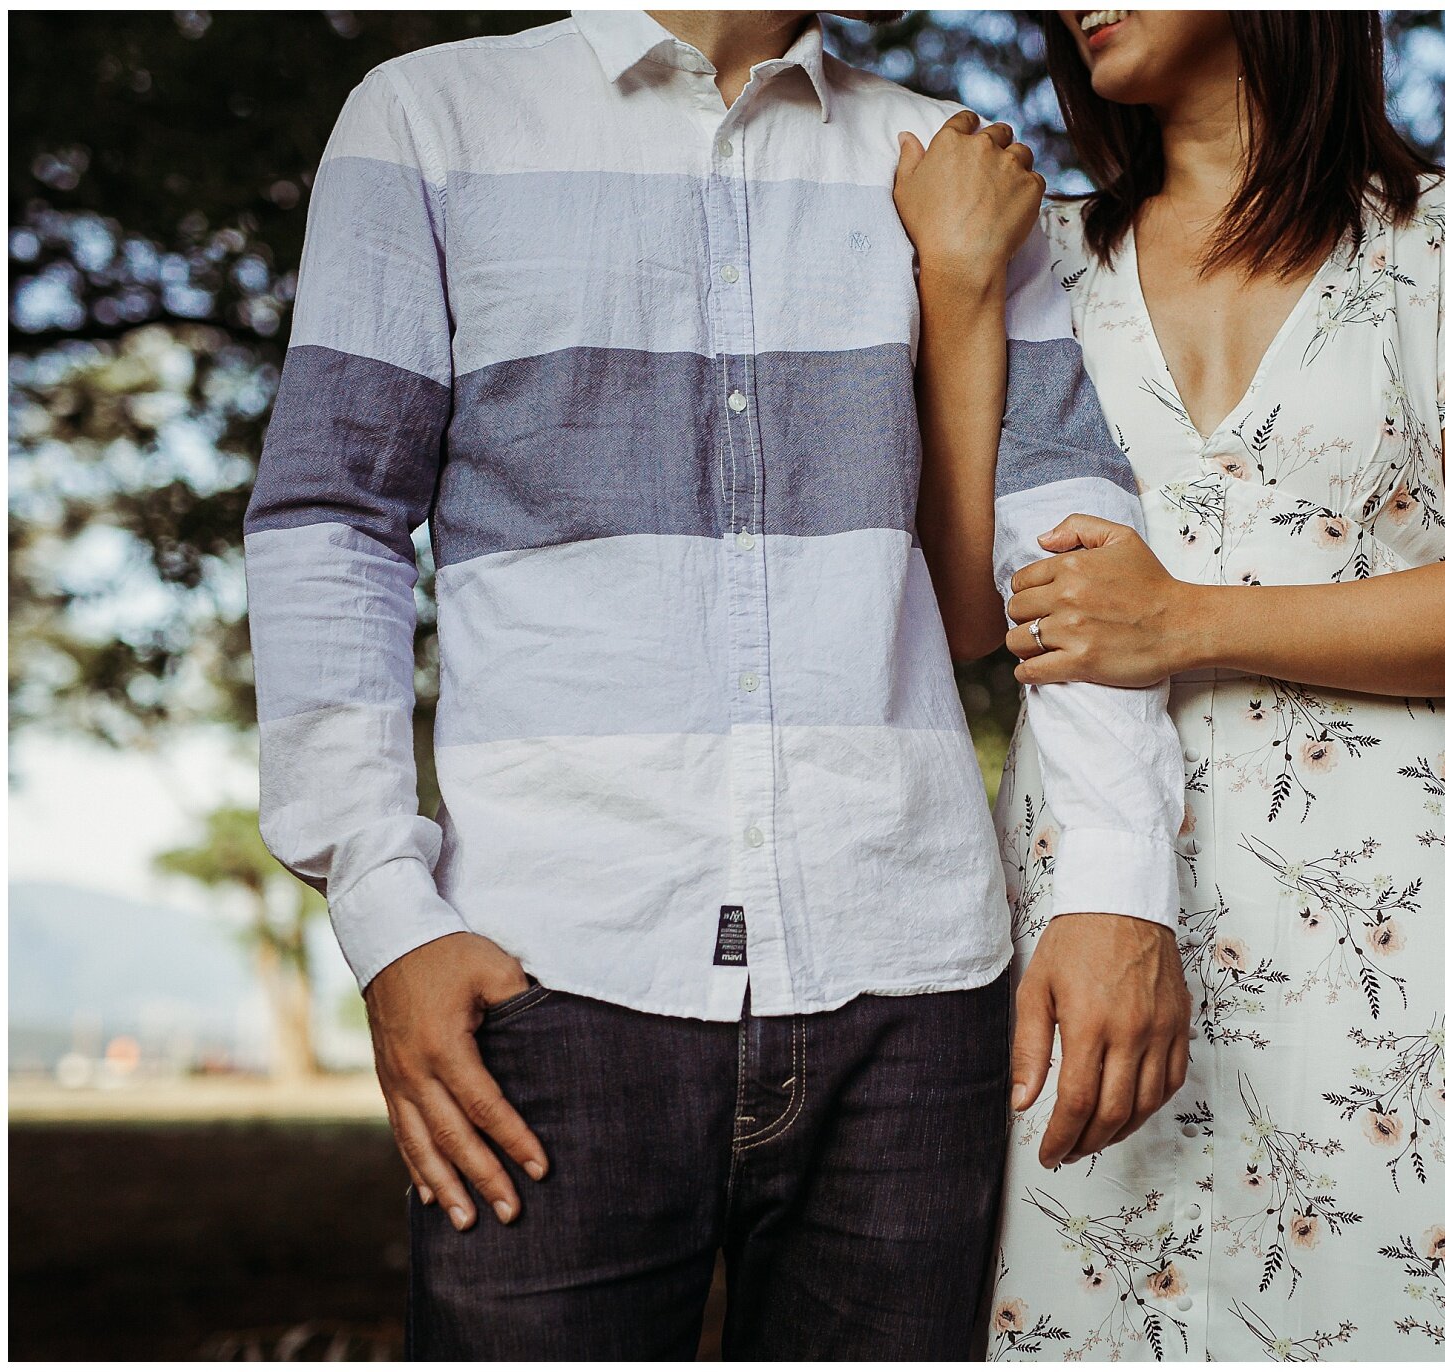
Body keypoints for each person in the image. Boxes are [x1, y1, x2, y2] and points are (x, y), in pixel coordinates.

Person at [242, 9, 1191, 1359]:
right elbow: (331, 518)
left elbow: (1073, 545)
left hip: (913, 988)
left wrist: (1114, 885)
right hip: (547, 972)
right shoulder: (426, 120)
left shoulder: (951, 163)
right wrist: (385, 906)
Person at [896, 10, 1445, 1361]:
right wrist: (955, 287)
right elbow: (963, 607)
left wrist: (1187, 621)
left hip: (1381, 937)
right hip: (1090, 908)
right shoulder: (1040, 254)